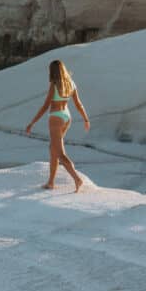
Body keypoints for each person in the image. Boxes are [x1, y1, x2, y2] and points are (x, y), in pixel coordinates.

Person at [25, 58, 90, 192]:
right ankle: (51, 182)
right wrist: (86, 119)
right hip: (66, 117)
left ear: (52, 71)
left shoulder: (54, 85)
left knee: (60, 154)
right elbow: (78, 104)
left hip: (55, 118)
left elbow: (45, 106)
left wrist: (32, 122)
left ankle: (77, 179)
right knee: (53, 149)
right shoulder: (71, 83)